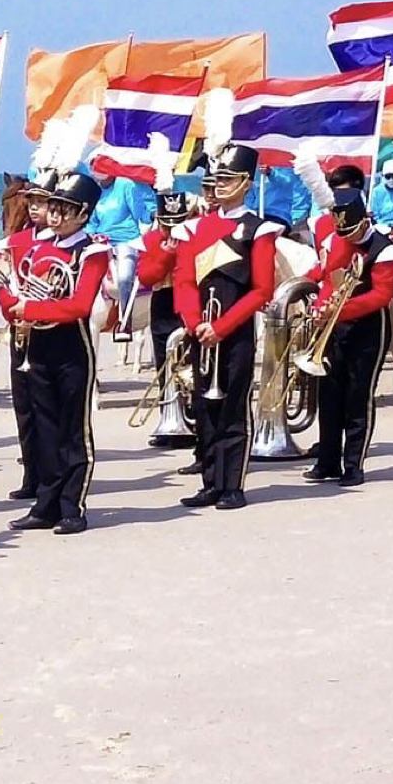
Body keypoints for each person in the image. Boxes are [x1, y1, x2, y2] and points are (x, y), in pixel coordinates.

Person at [2, 172, 110, 535]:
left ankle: (71, 505)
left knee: (72, 430)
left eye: (65, 209)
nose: (55, 216)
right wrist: (13, 304)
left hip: (71, 347)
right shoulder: (36, 247)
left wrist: (29, 310)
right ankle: (44, 503)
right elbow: (15, 285)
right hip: (38, 344)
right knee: (44, 427)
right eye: (54, 207)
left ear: (83, 213)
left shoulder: (92, 250)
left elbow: (79, 305)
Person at [174, 143, 280, 510]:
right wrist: (193, 322)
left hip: (233, 330)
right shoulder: (192, 229)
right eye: (216, 178)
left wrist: (222, 325)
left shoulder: (259, 229)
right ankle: (209, 480)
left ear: (246, 183)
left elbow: (262, 289)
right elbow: (184, 280)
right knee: (202, 406)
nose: (219, 185)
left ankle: (232, 483)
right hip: (200, 329)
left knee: (233, 404)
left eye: (228, 178)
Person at [302, 188, 393, 487]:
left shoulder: (385, 249)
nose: (345, 236)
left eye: (351, 230)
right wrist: (322, 308)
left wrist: (340, 310)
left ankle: (353, 464)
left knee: (358, 396)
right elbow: (327, 279)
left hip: (369, 327)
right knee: (329, 395)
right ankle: (327, 462)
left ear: (364, 221)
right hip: (335, 325)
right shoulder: (336, 241)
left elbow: (381, 295)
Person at [0, 170, 57, 503]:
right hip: (21, 329)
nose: (35, 208)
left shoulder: (66, 241)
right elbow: (4, 281)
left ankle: (53, 474)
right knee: (24, 405)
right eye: (32, 201)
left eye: (42, 202)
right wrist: (13, 310)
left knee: (51, 410)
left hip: (50, 328)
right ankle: (31, 473)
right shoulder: (17, 241)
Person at [135, 184, 194, 446]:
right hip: (163, 300)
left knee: (189, 362)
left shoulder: (192, 234)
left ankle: (191, 419)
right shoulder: (150, 239)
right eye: (166, 223)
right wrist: (166, 256)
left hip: (186, 299)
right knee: (164, 362)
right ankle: (168, 418)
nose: (171, 229)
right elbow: (146, 276)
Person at [87, 163, 155, 343]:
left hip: (126, 240)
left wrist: (151, 219)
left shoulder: (126, 185)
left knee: (124, 278)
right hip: (100, 242)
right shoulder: (95, 191)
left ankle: (125, 321)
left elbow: (140, 213)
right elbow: (91, 221)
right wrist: (91, 233)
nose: (99, 178)